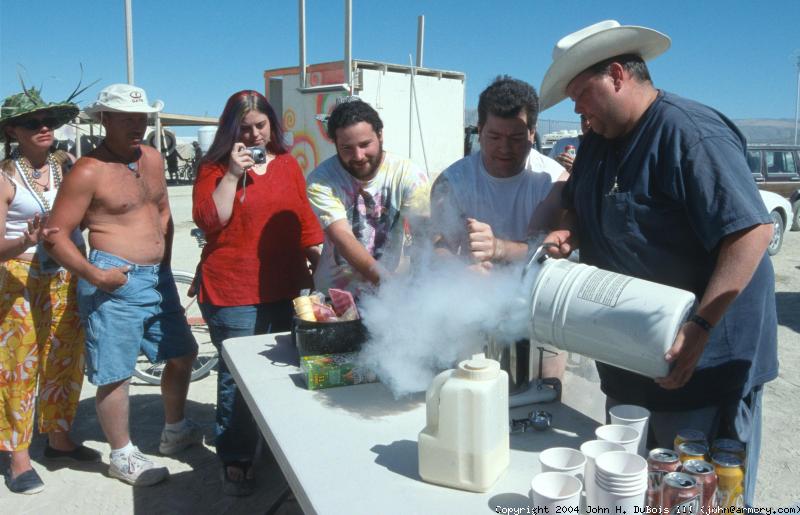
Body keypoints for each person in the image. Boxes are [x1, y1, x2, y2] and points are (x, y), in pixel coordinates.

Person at [538, 20, 777, 504]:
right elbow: (578, 204)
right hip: (632, 355)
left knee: (696, 494)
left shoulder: (689, 134)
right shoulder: (597, 143)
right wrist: (570, 229)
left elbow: (751, 232)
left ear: (618, 75)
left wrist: (701, 327)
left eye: (582, 93)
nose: (578, 109)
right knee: (633, 488)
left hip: (703, 359)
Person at [44, 84, 203, 487]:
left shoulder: (151, 157)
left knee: (183, 352)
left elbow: (163, 209)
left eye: (142, 118)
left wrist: (165, 265)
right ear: (104, 119)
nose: (137, 125)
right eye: (127, 118)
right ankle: (121, 455)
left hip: (157, 277)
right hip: (114, 276)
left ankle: (174, 429)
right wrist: (96, 276)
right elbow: (55, 235)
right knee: (116, 372)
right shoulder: (88, 170)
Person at [192, 90, 323, 496]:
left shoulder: (286, 164)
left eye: (260, 126)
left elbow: (303, 218)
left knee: (284, 370)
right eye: (244, 128)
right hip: (234, 290)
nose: (253, 135)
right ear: (230, 130)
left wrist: (319, 264)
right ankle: (236, 455)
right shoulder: (214, 167)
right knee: (238, 377)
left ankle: (275, 444)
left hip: (285, 285)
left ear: (272, 125)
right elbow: (210, 220)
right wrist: (232, 173)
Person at [0, 87, 101, 495]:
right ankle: (17, 455)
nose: (43, 128)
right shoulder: (5, 178)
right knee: (17, 366)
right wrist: (26, 241)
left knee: (65, 356)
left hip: (65, 273)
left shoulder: (68, 165)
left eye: (48, 121)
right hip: (19, 279)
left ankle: (58, 440)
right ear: (13, 131)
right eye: (31, 123)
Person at [429, 76, 566, 268]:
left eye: (516, 138)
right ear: (480, 130)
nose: (505, 148)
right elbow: (439, 246)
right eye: (494, 137)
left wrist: (499, 248)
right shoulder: (451, 182)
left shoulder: (554, 181)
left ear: (532, 133)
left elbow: (551, 250)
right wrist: (461, 273)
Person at [306, 98, 429, 296]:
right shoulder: (321, 180)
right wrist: (388, 285)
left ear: (380, 135)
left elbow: (424, 233)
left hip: (394, 294)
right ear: (335, 143)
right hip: (337, 296)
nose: (358, 155)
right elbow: (343, 237)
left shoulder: (408, 174)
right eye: (347, 148)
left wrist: (424, 284)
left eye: (365, 144)